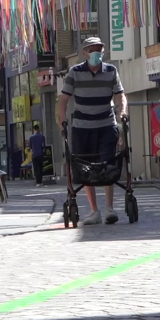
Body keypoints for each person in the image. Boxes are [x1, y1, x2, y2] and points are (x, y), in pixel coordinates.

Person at [57, 37, 128, 225]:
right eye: (92, 50)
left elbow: (120, 95)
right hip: (82, 127)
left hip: (106, 125)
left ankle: (109, 208)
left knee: (107, 163)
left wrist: (123, 111)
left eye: (99, 49)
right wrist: (62, 119)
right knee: (85, 167)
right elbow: (63, 100)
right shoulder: (75, 72)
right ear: (85, 53)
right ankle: (94, 210)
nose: (96, 53)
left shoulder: (111, 71)